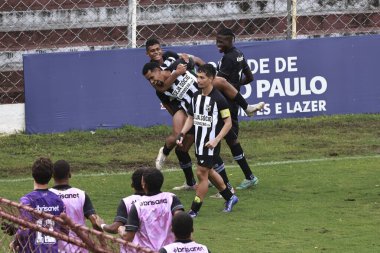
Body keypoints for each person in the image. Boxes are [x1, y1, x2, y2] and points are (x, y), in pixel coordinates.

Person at [176, 64, 239, 217]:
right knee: (208, 172)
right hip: (199, 143)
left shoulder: (219, 99)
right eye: (198, 77)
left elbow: (228, 123)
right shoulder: (196, 96)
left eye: (202, 77)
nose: (198, 80)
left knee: (201, 173)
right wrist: (182, 133)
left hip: (211, 144)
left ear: (211, 79)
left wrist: (216, 140)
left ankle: (194, 210)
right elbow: (191, 117)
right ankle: (230, 197)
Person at [216, 28, 263, 190]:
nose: (218, 44)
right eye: (217, 41)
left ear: (231, 40)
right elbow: (250, 77)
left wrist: (230, 87)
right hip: (233, 102)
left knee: (215, 142)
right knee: (230, 140)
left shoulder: (228, 59)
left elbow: (219, 82)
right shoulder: (238, 54)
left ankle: (224, 185)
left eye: (221, 41)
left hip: (225, 104)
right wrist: (236, 86)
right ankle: (249, 177)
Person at [119, 168, 184, 251]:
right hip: (169, 250)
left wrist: (121, 229)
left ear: (143, 184)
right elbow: (181, 220)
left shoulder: (137, 206)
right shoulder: (171, 198)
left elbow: (128, 237)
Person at [11, 157, 66, 253]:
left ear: (33, 174)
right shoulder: (58, 201)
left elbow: (24, 230)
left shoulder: (27, 200)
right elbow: (65, 230)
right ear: (51, 176)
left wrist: (15, 242)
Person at [49, 159, 104, 253]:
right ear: (69, 174)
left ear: (52, 175)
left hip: (55, 248)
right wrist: (102, 240)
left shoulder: (47, 195)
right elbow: (95, 222)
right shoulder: (81, 194)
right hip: (80, 248)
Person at [100, 168, 145, 234]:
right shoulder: (164, 199)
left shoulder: (127, 202)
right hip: (163, 244)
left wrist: (102, 224)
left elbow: (115, 228)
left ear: (132, 184)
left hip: (134, 244)